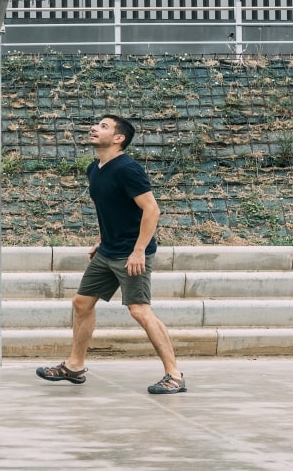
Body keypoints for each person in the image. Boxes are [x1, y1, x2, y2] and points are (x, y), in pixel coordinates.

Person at [36, 114, 187, 395]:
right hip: (108, 250)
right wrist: (101, 240)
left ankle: (174, 375)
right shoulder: (95, 168)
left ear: (119, 139)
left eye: (103, 126)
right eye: (96, 124)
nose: (94, 127)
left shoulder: (128, 169)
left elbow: (152, 210)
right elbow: (114, 210)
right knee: (82, 303)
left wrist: (139, 250)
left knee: (140, 311)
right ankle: (75, 366)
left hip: (132, 253)